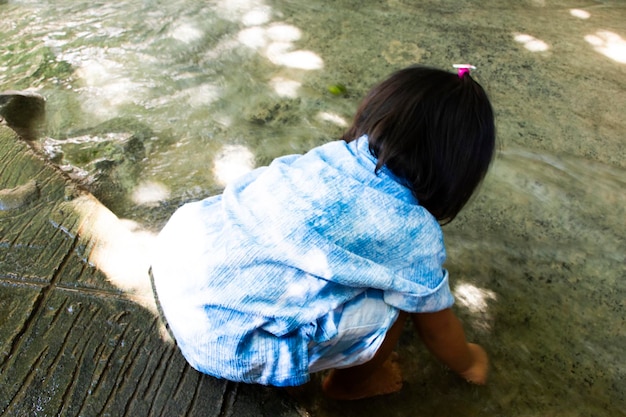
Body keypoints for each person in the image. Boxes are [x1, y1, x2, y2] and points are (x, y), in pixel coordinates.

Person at [150, 64, 495, 400]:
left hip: (177, 262)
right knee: (400, 303)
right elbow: (437, 330)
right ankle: (349, 386)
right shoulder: (416, 232)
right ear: (458, 172)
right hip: (220, 343)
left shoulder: (332, 155)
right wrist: (470, 363)